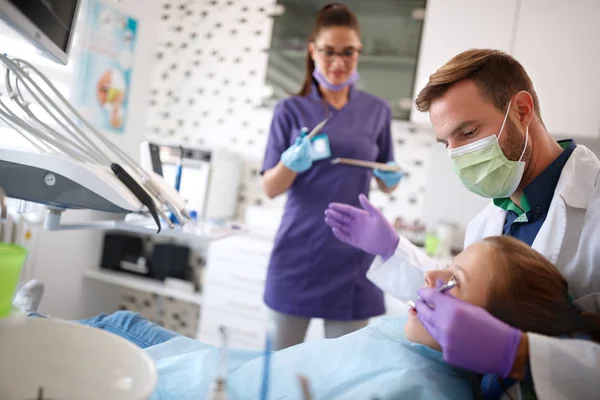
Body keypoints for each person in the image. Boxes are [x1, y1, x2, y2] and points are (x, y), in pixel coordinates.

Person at [324, 48, 600, 398]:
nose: (456, 155)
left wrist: (520, 355)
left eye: (467, 133)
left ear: (521, 110)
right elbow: (458, 303)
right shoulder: (487, 222)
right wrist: (393, 249)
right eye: (446, 143)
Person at [15, 236, 600, 399]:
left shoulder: (420, 387)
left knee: (102, 340)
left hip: (194, 387)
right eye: (443, 265)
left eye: (455, 283)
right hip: (229, 365)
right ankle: (29, 326)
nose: (430, 280)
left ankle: (25, 333)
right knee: (121, 322)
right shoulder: (409, 335)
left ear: (489, 332)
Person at [260, 3, 402, 349]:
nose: (338, 63)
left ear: (359, 53)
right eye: (328, 52)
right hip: (298, 252)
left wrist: (393, 177)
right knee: (277, 370)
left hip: (353, 256)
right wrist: (289, 164)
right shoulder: (289, 109)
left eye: (348, 53)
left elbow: (385, 177)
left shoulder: (377, 111)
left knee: (343, 374)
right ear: (313, 51)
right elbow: (270, 188)